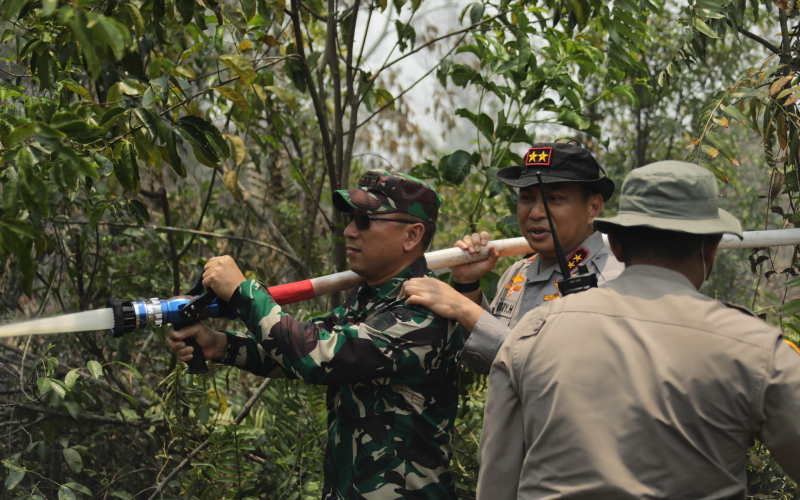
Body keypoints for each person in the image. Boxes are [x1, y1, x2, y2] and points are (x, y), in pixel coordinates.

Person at [477, 161, 800, 499]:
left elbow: (496, 485)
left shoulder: (530, 335)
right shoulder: (755, 349)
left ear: (614, 242)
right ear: (711, 248)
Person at [167, 170, 463, 500]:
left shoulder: (422, 311)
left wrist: (243, 291)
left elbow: (318, 356)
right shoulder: (371, 297)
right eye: (350, 219)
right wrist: (223, 345)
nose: (349, 231)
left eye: (364, 221)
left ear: (411, 236)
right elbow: (301, 345)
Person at [402, 142, 623, 374]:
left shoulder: (610, 282)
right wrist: (467, 285)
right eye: (526, 198)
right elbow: (488, 363)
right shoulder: (519, 272)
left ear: (593, 207)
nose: (536, 212)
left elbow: (556, 375)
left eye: (555, 199)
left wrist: (463, 308)